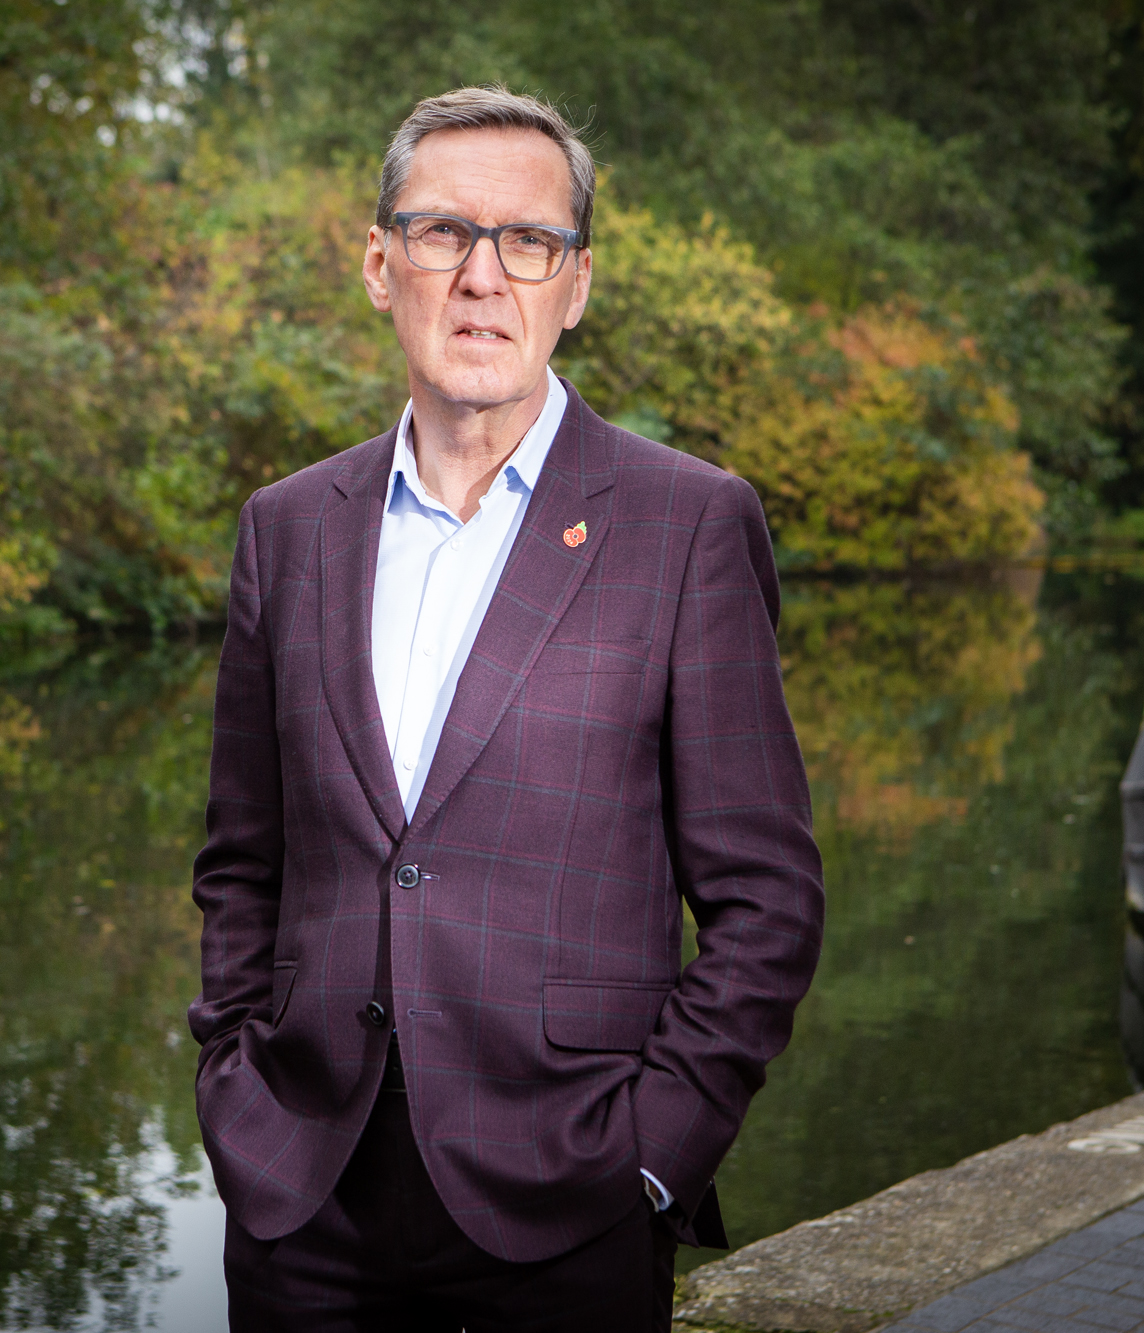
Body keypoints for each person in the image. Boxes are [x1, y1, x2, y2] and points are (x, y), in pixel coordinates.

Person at [188, 85, 825, 1332]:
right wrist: (232, 1090)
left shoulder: (687, 522)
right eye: (442, 234)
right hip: (302, 1200)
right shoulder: (285, 529)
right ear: (380, 264)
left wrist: (653, 1152)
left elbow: (765, 899)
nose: (482, 277)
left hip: (568, 1199)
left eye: (526, 242)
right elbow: (239, 859)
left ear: (573, 284)